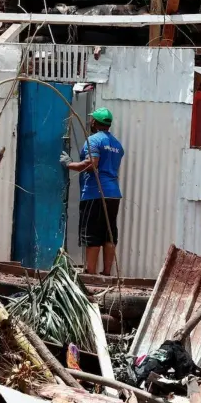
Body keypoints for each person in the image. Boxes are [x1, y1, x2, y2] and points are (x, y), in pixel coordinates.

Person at [61, 107, 124, 276]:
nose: (90, 121)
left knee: (93, 234)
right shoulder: (117, 145)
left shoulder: (94, 140)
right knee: (109, 234)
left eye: (92, 119)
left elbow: (91, 164)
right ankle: (106, 273)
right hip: (113, 194)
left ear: (94, 122)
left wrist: (69, 164)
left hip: (95, 193)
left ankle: (90, 273)